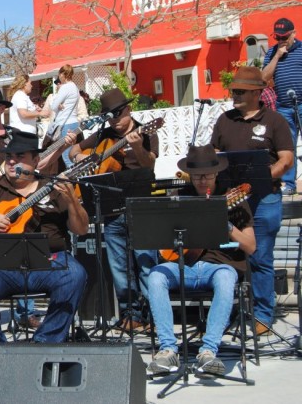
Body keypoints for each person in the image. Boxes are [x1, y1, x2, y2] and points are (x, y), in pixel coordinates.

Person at [0, 130, 88, 374]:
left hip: (49, 261)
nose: (11, 162)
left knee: (75, 274)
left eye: (18, 156)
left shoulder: (53, 187)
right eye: (8, 157)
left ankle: (44, 345)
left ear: (35, 160)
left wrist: (73, 201)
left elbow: (81, 229)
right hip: (3, 265)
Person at [146, 145, 256, 376]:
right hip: (183, 265)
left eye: (206, 175)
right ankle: (168, 349)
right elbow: (163, 242)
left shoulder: (234, 199)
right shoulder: (181, 197)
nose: (202, 180)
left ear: (216, 173)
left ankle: (208, 351)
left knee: (227, 277)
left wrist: (225, 225)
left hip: (217, 268)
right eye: (196, 176)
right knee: (156, 275)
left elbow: (250, 246)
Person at [211, 66, 294, 335]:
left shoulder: (275, 121)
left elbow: (286, 159)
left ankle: (262, 314)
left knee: (260, 257)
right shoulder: (224, 120)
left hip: (264, 198)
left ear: (258, 92)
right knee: (228, 255)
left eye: (241, 91)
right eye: (234, 90)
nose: (234, 94)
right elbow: (213, 153)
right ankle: (232, 309)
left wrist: (261, 176)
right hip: (231, 199)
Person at [69, 88, 159, 331]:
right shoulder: (103, 135)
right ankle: (132, 315)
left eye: (119, 114)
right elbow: (74, 150)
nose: (116, 120)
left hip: (141, 209)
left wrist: (138, 147)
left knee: (146, 263)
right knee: (120, 268)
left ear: (129, 109)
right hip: (112, 210)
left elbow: (149, 164)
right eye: (111, 116)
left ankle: (154, 315)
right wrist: (80, 159)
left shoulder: (145, 131)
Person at [261, 17, 302, 195]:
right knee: (286, 146)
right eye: (278, 38)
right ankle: (288, 184)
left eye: (284, 37)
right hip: (284, 107)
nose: (281, 41)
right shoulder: (272, 53)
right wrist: (277, 56)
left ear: (294, 33)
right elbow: (263, 78)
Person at [48, 65, 81, 167]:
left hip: (65, 124)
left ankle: (72, 180)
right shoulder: (75, 87)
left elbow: (53, 106)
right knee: (73, 154)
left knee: (67, 157)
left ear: (63, 74)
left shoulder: (65, 87)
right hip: (74, 122)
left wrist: (58, 105)